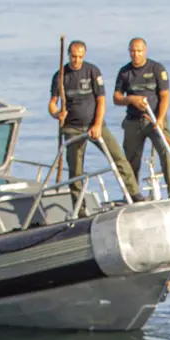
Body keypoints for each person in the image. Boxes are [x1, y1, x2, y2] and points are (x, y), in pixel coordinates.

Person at [49, 40, 148, 216]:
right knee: (76, 170)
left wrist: (96, 124)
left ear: (84, 55)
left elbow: (101, 100)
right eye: (73, 56)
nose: (76, 60)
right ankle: (79, 208)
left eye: (79, 57)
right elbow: (52, 103)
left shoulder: (92, 71)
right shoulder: (60, 75)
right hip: (72, 129)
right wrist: (57, 114)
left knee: (117, 156)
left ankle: (134, 193)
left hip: (95, 125)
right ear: (68, 55)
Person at [113, 37, 170, 199]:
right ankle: (132, 194)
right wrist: (131, 99)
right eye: (132, 51)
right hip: (133, 121)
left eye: (139, 51)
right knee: (131, 158)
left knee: (166, 152)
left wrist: (160, 118)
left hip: (155, 119)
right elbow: (116, 97)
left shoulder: (156, 69)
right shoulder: (124, 72)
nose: (136, 54)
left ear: (145, 51)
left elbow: (165, 95)